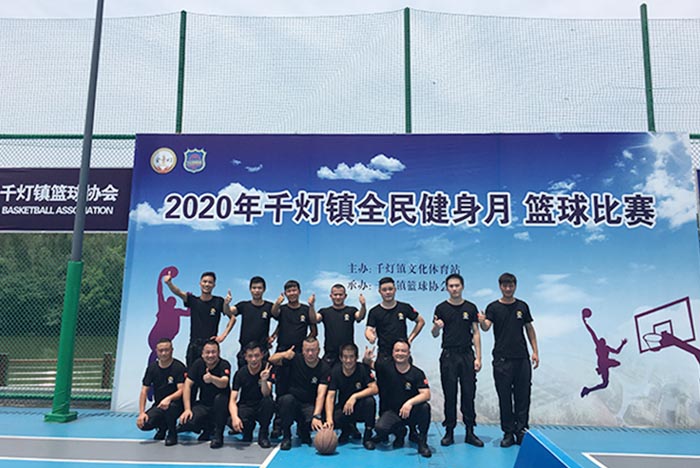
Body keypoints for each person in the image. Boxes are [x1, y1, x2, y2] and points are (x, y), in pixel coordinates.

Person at [478, 272, 539, 447]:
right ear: (500, 287)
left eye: (511, 285)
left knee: (523, 396)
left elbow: (529, 328)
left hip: (522, 359)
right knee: (504, 398)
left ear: (515, 286)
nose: (508, 288)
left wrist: (535, 351)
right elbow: (486, 327)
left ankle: (521, 431)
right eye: (505, 285)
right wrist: (481, 321)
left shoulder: (522, 306)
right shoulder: (493, 307)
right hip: (502, 360)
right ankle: (508, 433)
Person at [431, 273, 484, 447]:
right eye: (451, 286)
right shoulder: (441, 308)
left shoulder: (471, 307)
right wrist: (436, 327)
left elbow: (476, 333)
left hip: (467, 355)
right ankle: (449, 431)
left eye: (457, 285)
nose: (454, 289)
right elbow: (434, 333)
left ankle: (470, 431)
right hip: (448, 356)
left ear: (462, 287)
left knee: (469, 393)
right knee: (450, 394)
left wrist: (478, 357)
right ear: (447, 288)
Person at [366, 340, 432, 458]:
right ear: (392, 353)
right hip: (393, 412)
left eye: (403, 351)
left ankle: (422, 442)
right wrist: (366, 358)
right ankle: (400, 431)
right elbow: (368, 364)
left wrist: (409, 403)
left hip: (411, 412)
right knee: (380, 428)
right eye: (397, 350)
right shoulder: (385, 368)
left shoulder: (417, 373)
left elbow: (426, 394)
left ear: (408, 353)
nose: (400, 353)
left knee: (425, 407)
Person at [268, 337, 330, 451]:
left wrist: (316, 416)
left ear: (319, 350)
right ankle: (287, 436)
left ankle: (304, 429)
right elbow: (271, 359)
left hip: (309, 405)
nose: (310, 353)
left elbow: (321, 394)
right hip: (293, 403)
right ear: (302, 350)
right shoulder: (294, 359)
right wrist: (284, 354)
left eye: (313, 350)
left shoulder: (324, 367)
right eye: (307, 350)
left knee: (316, 421)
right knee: (286, 400)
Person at [163, 271, 235, 367]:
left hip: (210, 347)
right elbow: (179, 292)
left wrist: (223, 336)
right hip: (194, 345)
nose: (207, 284)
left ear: (214, 285)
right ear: (200, 283)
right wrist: (169, 283)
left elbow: (232, 318)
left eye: (210, 282)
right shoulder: (193, 300)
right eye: (204, 281)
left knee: (211, 374)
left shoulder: (219, 301)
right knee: (191, 374)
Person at [178, 340, 231, 449]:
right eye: (207, 352)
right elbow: (187, 385)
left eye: (213, 352)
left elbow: (224, 383)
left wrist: (212, 379)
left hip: (222, 405)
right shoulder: (198, 364)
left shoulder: (224, 364)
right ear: (202, 354)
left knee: (220, 399)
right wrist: (187, 409)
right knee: (188, 421)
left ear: (218, 353)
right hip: (204, 404)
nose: (210, 355)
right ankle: (207, 428)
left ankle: (218, 434)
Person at [324, 343, 377, 450]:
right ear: (341, 358)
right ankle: (347, 429)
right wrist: (329, 420)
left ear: (356, 358)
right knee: (329, 419)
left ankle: (367, 436)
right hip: (345, 408)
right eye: (345, 357)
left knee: (370, 402)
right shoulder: (335, 371)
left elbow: (375, 389)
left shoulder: (362, 369)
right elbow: (330, 396)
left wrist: (354, 397)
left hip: (360, 408)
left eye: (351, 357)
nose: (348, 360)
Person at [136, 338, 186, 446]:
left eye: (166, 350)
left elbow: (182, 390)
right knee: (144, 424)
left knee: (170, 408)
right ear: (156, 351)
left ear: (172, 350)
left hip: (176, 404)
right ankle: (162, 428)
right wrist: (141, 413)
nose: (163, 353)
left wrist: (169, 398)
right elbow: (144, 391)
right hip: (159, 404)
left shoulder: (179, 367)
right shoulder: (152, 368)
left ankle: (172, 433)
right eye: (161, 350)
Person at [365, 277, 425, 364]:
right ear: (379, 291)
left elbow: (421, 321)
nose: (388, 292)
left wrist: (410, 339)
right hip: (384, 354)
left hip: (402, 353)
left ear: (395, 290)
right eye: (384, 290)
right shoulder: (374, 311)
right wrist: (370, 337)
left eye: (390, 289)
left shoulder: (405, 307)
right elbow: (368, 330)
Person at [228, 342, 274, 448]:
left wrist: (264, 380)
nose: (254, 359)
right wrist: (235, 417)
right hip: (247, 406)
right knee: (230, 420)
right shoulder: (240, 373)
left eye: (256, 355)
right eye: (250, 356)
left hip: (261, 405)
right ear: (245, 357)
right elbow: (232, 400)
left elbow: (266, 393)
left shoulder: (267, 368)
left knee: (268, 402)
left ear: (262, 355)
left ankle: (263, 434)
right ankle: (247, 430)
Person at [229, 276, 277, 369]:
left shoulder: (269, 307)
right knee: (243, 376)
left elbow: (282, 320)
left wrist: (274, 336)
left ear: (264, 289)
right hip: (245, 350)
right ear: (250, 289)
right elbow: (229, 311)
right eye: (254, 288)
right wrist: (226, 303)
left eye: (259, 288)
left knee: (264, 376)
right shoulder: (243, 305)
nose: (256, 290)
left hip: (262, 350)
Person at [580, 308, 627, 398]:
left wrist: (622, 344)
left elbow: (617, 352)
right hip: (603, 363)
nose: (602, 340)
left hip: (603, 363)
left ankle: (599, 372)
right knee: (605, 383)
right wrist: (585, 323)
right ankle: (588, 389)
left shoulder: (604, 347)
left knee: (616, 365)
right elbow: (592, 333)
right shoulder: (601, 346)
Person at [316, 284, 366, 368]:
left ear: (345, 296)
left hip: (347, 354)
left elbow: (360, 316)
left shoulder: (351, 310)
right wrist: (311, 306)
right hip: (330, 354)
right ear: (331, 296)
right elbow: (315, 319)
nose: (338, 297)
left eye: (340, 294)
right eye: (335, 295)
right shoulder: (325, 311)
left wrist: (363, 306)